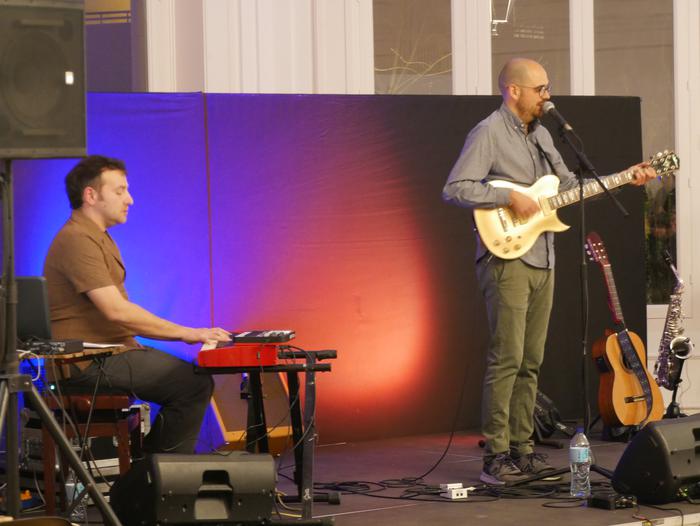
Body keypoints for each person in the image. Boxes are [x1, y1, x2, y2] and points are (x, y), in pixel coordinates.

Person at [442, 58, 657, 485]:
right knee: (507, 358)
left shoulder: (542, 136)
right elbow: (455, 188)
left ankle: (522, 450)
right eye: (540, 88)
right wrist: (506, 196)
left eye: (548, 88)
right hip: (507, 258)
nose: (547, 96)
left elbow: (570, 189)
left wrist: (624, 178)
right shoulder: (488, 132)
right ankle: (496, 456)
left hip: (544, 256)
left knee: (530, 361)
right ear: (513, 90)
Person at [43, 155, 232, 454]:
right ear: (90, 195)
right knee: (192, 384)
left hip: (108, 354)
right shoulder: (77, 239)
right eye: (120, 191)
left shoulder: (96, 236)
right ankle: (157, 478)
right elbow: (116, 311)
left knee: (190, 380)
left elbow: (119, 312)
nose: (129, 199)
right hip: (84, 363)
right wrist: (189, 333)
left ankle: (154, 473)